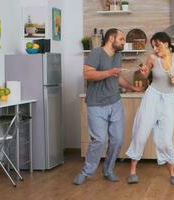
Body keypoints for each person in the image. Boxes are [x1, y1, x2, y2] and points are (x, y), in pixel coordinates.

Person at [73, 28, 142, 185]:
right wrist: (108, 72)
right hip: (97, 104)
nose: (124, 42)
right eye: (122, 39)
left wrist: (133, 87)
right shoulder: (96, 53)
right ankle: (86, 172)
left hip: (115, 102)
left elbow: (118, 77)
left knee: (117, 140)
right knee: (99, 140)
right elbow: (87, 74)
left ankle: (108, 170)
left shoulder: (117, 55)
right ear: (111, 38)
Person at [125, 32, 174, 185]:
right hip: (152, 96)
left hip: (169, 99)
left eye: (157, 45)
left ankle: (172, 174)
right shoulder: (152, 58)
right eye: (153, 46)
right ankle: (132, 171)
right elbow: (145, 74)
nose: (154, 49)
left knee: (166, 139)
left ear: (166, 43)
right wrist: (143, 73)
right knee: (141, 132)